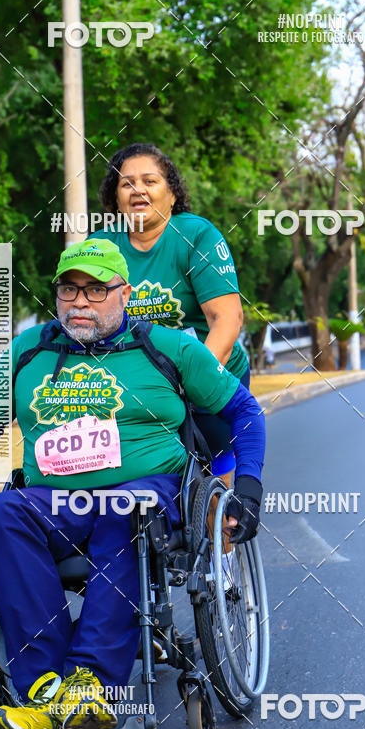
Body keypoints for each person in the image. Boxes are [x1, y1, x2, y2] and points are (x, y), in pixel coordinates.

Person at [0, 238, 265, 729]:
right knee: (1, 513)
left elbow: (245, 413)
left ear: (124, 293)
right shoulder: (28, 351)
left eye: (95, 290)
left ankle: (90, 687)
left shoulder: (170, 348)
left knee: (122, 510)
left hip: (146, 493)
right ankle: (46, 691)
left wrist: (247, 487)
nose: (80, 302)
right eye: (69, 290)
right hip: (55, 498)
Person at [91, 143, 248, 485]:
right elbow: (85, 321)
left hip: (208, 366)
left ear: (172, 194)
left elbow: (227, 318)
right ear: (115, 199)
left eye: (150, 181)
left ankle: (221, 526)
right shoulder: (101, 246)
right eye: (126, 183)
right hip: (137, 378)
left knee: (210, 460)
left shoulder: (197, 235)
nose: (138, 190)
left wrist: (194, 379)